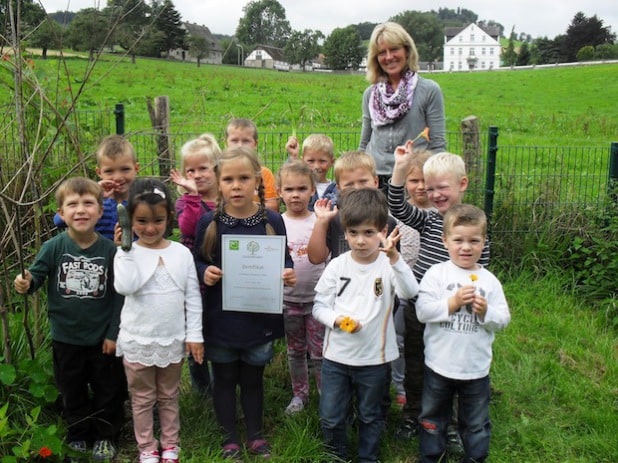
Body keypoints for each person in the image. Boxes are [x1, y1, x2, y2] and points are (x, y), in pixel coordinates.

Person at [194, 147, 296, 461]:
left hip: (258, 323)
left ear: (257, 180)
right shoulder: (209, 222)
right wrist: (204, 272)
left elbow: (285, 259)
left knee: (253, 381)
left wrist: (287, 273)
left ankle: (255, 435)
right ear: (218, 183)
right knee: (223, 380)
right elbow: (196, 262)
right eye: (228, 179)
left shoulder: (273, 221)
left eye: (243, 178)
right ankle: (229, 438)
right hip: (221, 321)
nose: (236, 185)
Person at [14, 177, 125, 462]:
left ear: (101, 211)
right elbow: (35, 276)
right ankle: (77, 435)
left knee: (107, 390)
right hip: (65, 338)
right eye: (72, 204)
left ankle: (105, 436)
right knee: (71, 391)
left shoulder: (109, 252)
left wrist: (113, 333)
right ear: (61, 214)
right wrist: (25, 283)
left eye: (88, 203)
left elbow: (119, 297)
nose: (81, 210)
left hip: (102, 339)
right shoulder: (53, 247)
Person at [388, 147, 490, 451]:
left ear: (463, 184)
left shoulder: (474, 227)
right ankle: (412, 415)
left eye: (441, 187)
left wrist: (472, 303)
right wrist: (399, 167)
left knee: (452, 367)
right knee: (416, 363)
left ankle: (454, 425)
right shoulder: (430, 220)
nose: (434, 194)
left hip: (458, 314)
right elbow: (397, 205)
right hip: (421, 306)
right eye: (429, 188)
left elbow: (481, 272)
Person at [312, 187, 418, 463]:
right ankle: (336, 455)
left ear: (383, 231)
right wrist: (336, 321)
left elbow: (409, 292)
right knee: (331, 416)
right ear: (345, 232)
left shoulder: (388, 265)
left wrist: (395, 258)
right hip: (336, 358)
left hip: (375, 359)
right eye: (354, 233)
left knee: (371, 415)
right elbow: (319, 306)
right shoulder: (336, 266)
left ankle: (368, 457)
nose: (360, 241)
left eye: (369, 233)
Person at [114, 178, 204, 463]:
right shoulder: (126, 252)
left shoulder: (181, 253)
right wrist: (125, 249)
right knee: (141, 398)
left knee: (168, 395)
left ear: (169, 219)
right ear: (129, 220)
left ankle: (170, 444)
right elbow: (125, 287)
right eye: (140, 221)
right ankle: (146, 447)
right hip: (137, 339)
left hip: (172, 340)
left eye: (157, 220)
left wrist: (195, 335)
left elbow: (193, 297)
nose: (150, 228)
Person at [416, 204, 510, 463]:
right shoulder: (436, 274)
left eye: (474, 241)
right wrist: (452, 303)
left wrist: (485, 312)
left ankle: (475, 457)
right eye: (458, 240)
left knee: (476, 421)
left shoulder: (489, 281)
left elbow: (503, 321)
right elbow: (423, 312)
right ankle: (433, 455)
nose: (466, 247)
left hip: (476, 369)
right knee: (433, 417)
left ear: (484, 243)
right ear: (445, 241)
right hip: (439, 365)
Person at [359, 22, 446, 193]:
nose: (389, 57)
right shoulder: (370, 94)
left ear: (407, 51)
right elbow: (364, 143)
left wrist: (435, 184)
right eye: (382, 52)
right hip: (376, 181)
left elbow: (438, 144)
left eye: (394, 49)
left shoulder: (429, 90)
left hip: (413, 180)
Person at [170, 133, 222, 396]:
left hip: (222, 273)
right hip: (194, 277)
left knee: (219, 329)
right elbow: (189, 227)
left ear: (216, 168)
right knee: (196, 328)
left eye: (203, 168)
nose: (197, 175)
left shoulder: (226, 200)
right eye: (190, 170)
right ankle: (202, 388)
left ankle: (222, 381)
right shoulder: (184, 202)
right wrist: (191, 197)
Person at [276, 160, 326, 415]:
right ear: (279, 192)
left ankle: (324, 394)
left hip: (318, 302)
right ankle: (300, 394)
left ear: (312, 190)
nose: (295, 194)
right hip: (288, 301)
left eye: (302, 188)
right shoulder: (275, 223)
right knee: (296, 351)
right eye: (289, 189)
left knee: (319, 353)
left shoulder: (320, 220)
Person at [391, 150, 432, 407]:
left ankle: (429, 383)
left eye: (426, 181)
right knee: (397, 338)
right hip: (399, 289)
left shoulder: (441, 216)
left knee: (424, 341)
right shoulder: (398, 215)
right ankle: (399, 385)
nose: (421, 186)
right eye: (414, 180)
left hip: (428, 292)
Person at [53, 135, 140, 240]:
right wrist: (94, 192)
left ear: (136, 168)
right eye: (109, 171)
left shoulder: (142, 202)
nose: (117, 177)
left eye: (125, 169)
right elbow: (58, 222)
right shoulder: (94, 201)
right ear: (99, 172)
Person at [224, 118, 280, 212]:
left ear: (255, 144)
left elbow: (273, 207)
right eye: (234, 141)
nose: (240, 145)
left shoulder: (264, 173)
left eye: (246, 141)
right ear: (226, 143)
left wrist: (247, 207)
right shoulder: (221, 173)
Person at [285, 133, 338, 210]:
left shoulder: (336, 189)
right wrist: (293, 157)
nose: (316, 166)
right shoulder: (299, 186)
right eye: (311, 161)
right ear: (302, 160)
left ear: (332, 162)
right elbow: (287, 181)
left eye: (322, 161)